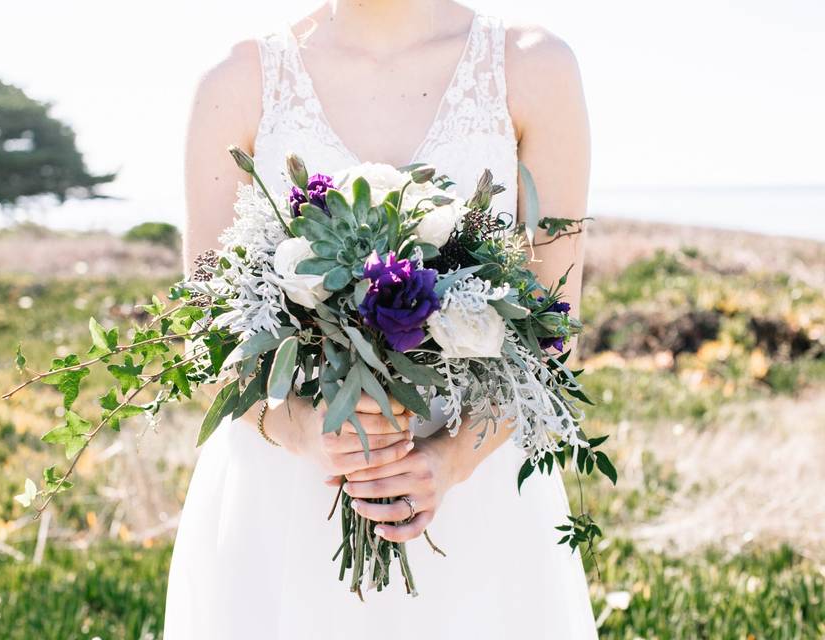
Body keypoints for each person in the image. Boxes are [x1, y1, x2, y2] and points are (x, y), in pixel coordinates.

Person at [165, 1, 596, 637]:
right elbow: (208, 337)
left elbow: (552, 329)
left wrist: (448, 462)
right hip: (283, 503)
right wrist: (308, 433)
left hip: (475, 503)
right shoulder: (237, 81)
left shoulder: (533, 67)